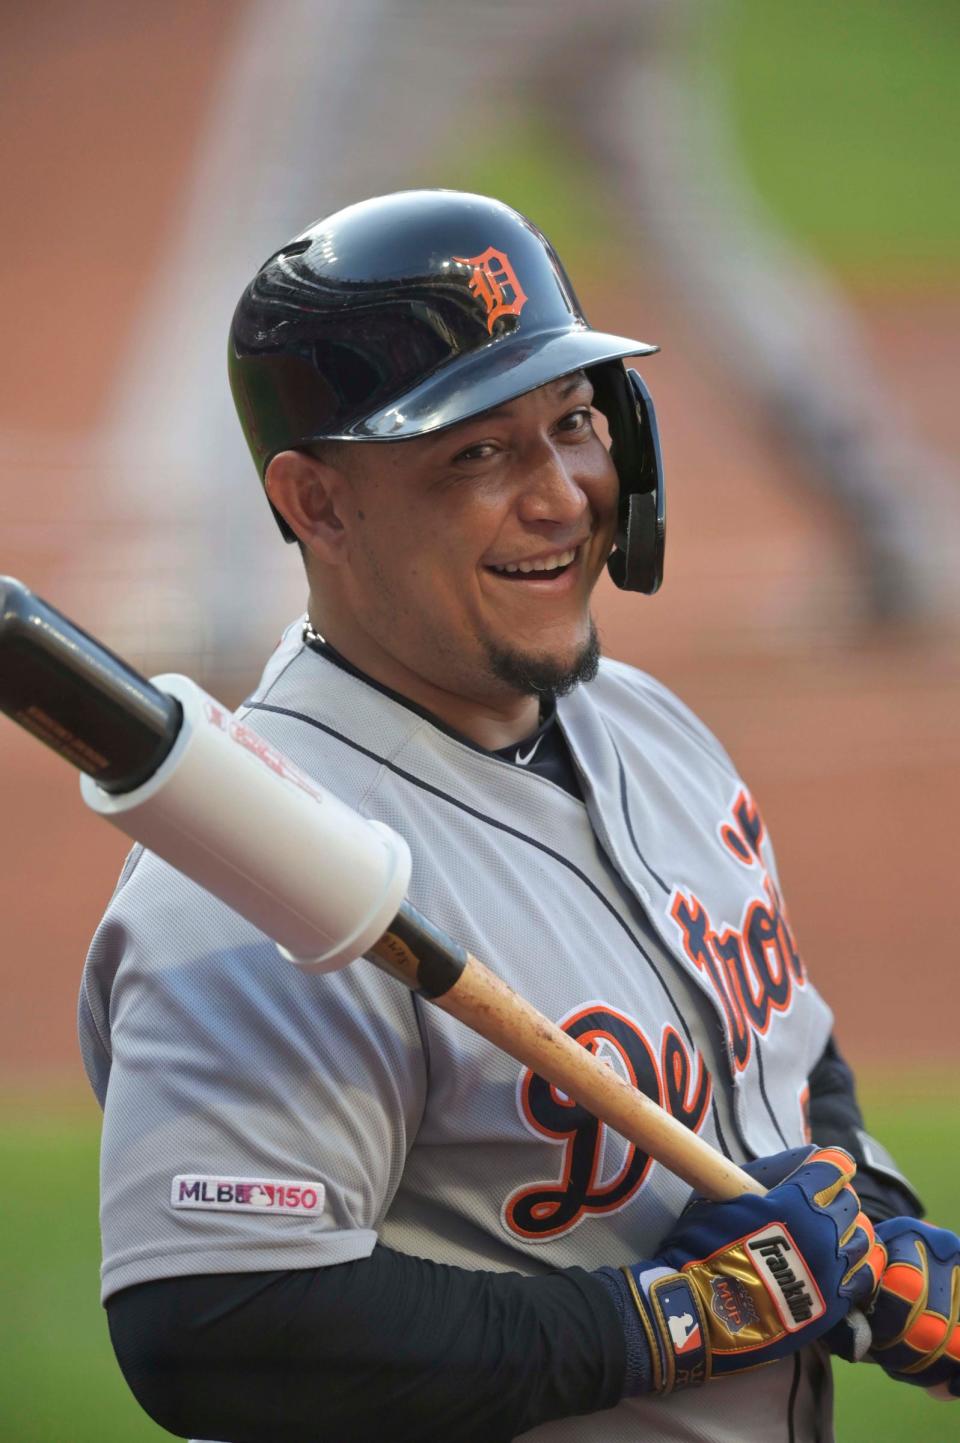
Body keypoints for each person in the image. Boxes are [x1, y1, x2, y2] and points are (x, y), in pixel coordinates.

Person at [79, 191, 957, 1442]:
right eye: (475, 454)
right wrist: (670, 1322)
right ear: (318, 504)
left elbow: (776, 1046)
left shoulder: (649, 728)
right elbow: (215, 1326)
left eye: (574, 425)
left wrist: (858, 1216)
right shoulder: (252, 873)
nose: (559, 498)